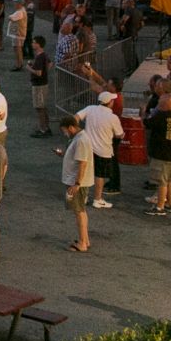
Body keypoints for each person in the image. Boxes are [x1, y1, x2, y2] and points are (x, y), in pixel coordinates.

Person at [78, 91, 125, 207]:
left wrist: (78, 133)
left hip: (88, 148)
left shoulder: (90, 109)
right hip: (103, 150)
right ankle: (97, 199)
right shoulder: (112, 117)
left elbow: (76, 117)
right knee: (100, 175)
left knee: (85, 173)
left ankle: (83, 197)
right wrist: (122, 134)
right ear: (109, 103)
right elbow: (119, 134)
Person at [145, 93, 171, 216]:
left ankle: (159, 207)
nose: (158, 105)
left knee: (161, 181)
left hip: (161, 153)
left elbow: (147, 123)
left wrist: (143, 112)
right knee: (170, 180)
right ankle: (170, 203)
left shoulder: (161, 116)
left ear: (165, 104)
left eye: (160, 103)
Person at [59, 114, 94, 252]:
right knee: (81, 211)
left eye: (65, 130)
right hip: (78, 181)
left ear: (71, 127)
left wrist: (77, 183)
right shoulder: (78, 138)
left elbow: (82, 164)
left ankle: (82, 243)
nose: (65, 133)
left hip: (78, 182)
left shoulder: (81, 141)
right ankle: (85, 239)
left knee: (78, 211)